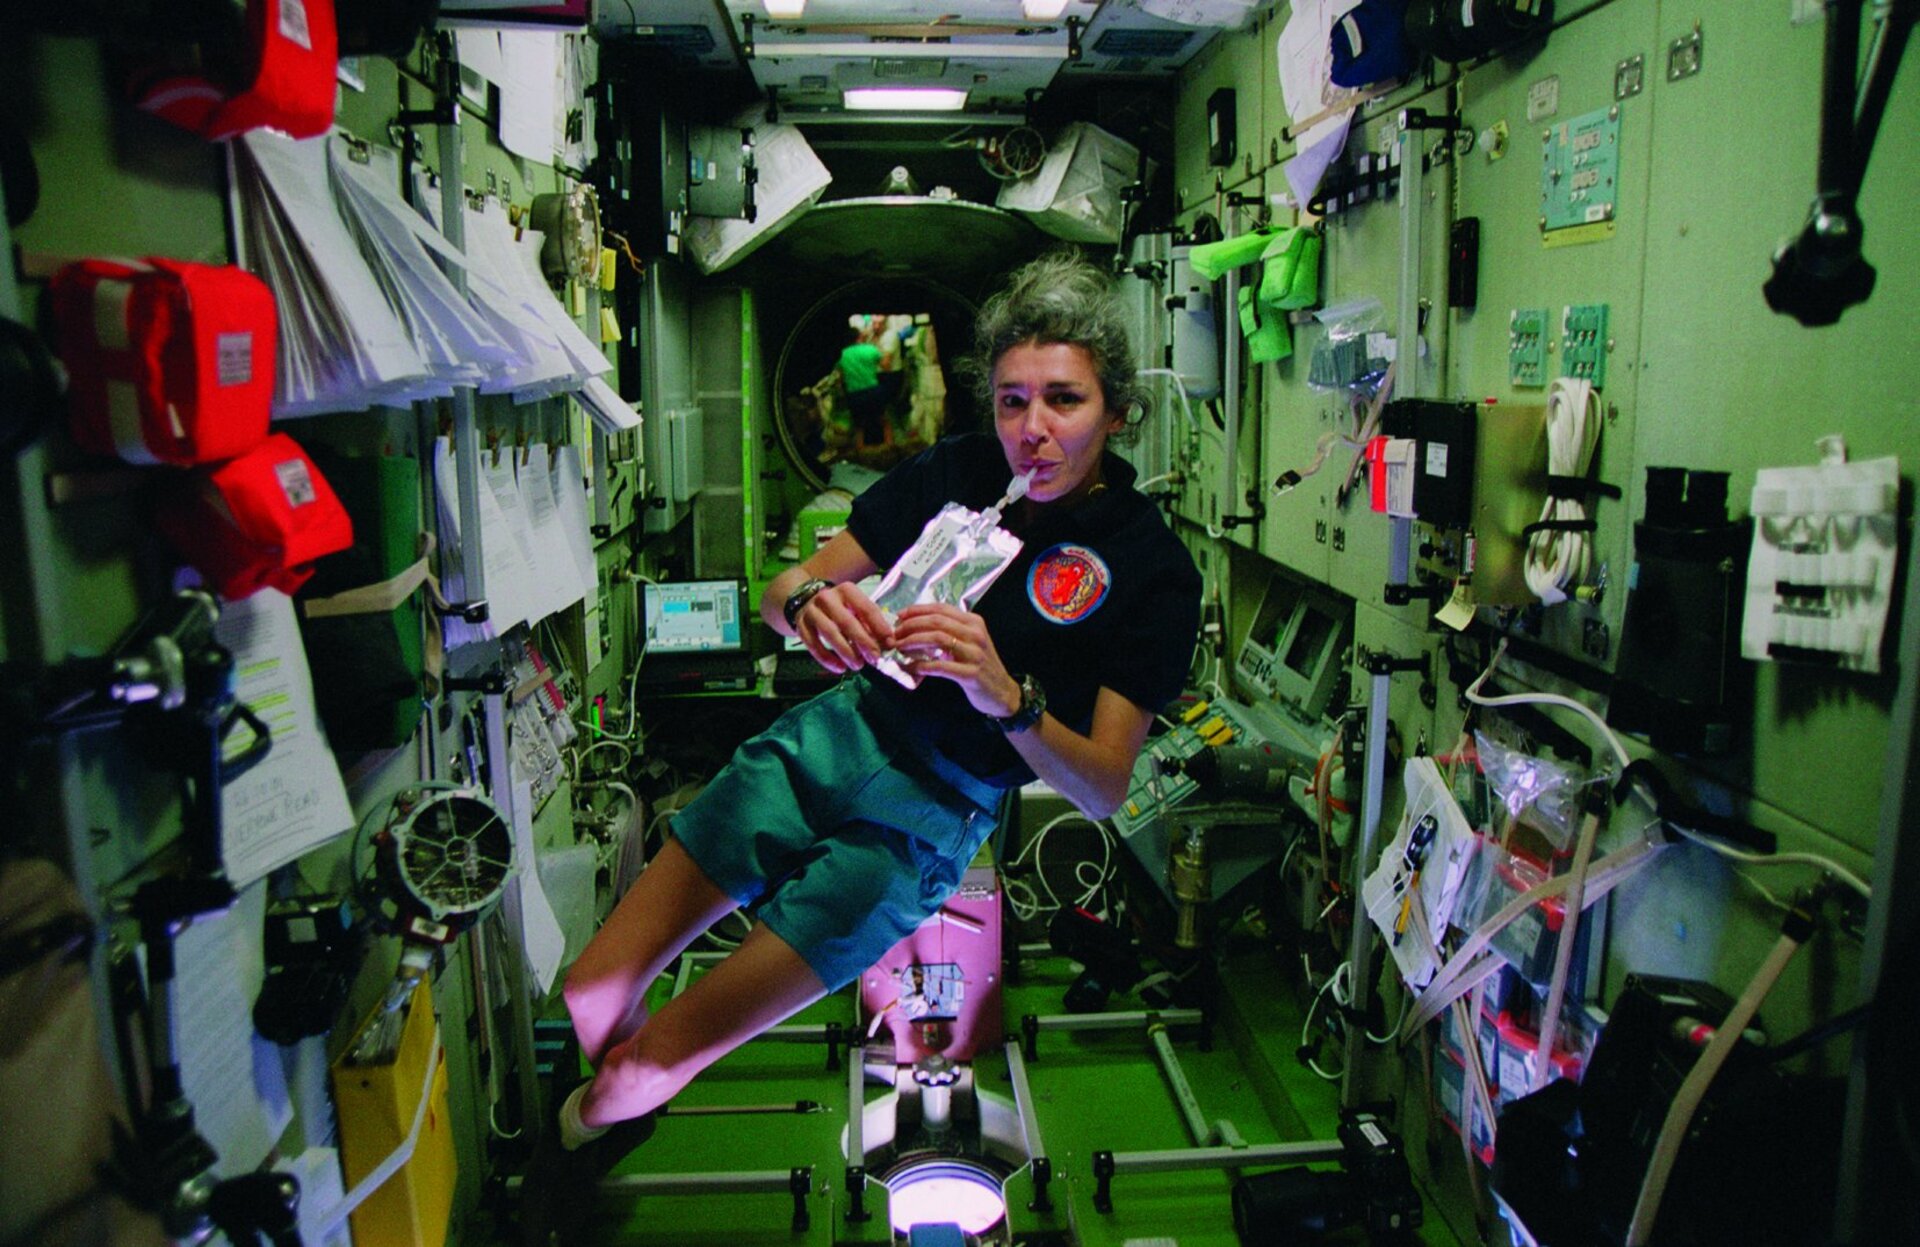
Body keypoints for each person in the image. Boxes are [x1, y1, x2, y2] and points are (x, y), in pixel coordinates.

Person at [519, 250, 1202, 1244]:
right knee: (590, 990)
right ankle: (625, 1090)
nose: (1033, 429)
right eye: (1013, 399)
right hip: (834, 734)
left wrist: (1006, 697)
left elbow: (1100, 786)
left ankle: (578, 1133)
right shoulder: (960, 472)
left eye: (1064, 399)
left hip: (927, 818)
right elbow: (784, 586)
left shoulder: (1148, 566)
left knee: (632, 1065)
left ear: (1117, 410)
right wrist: (810, 606)